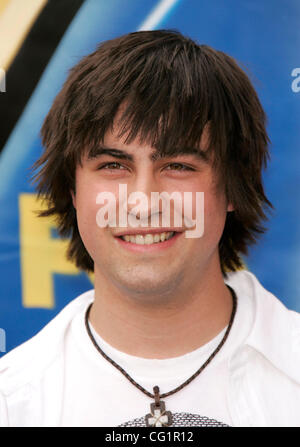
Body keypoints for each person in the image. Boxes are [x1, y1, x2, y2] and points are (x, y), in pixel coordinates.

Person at [0, 29, 300, 427]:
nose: (143, 202)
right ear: (72, 190)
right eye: (113, 166)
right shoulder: (12, 402)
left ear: (232, 187)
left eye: (177, 166)